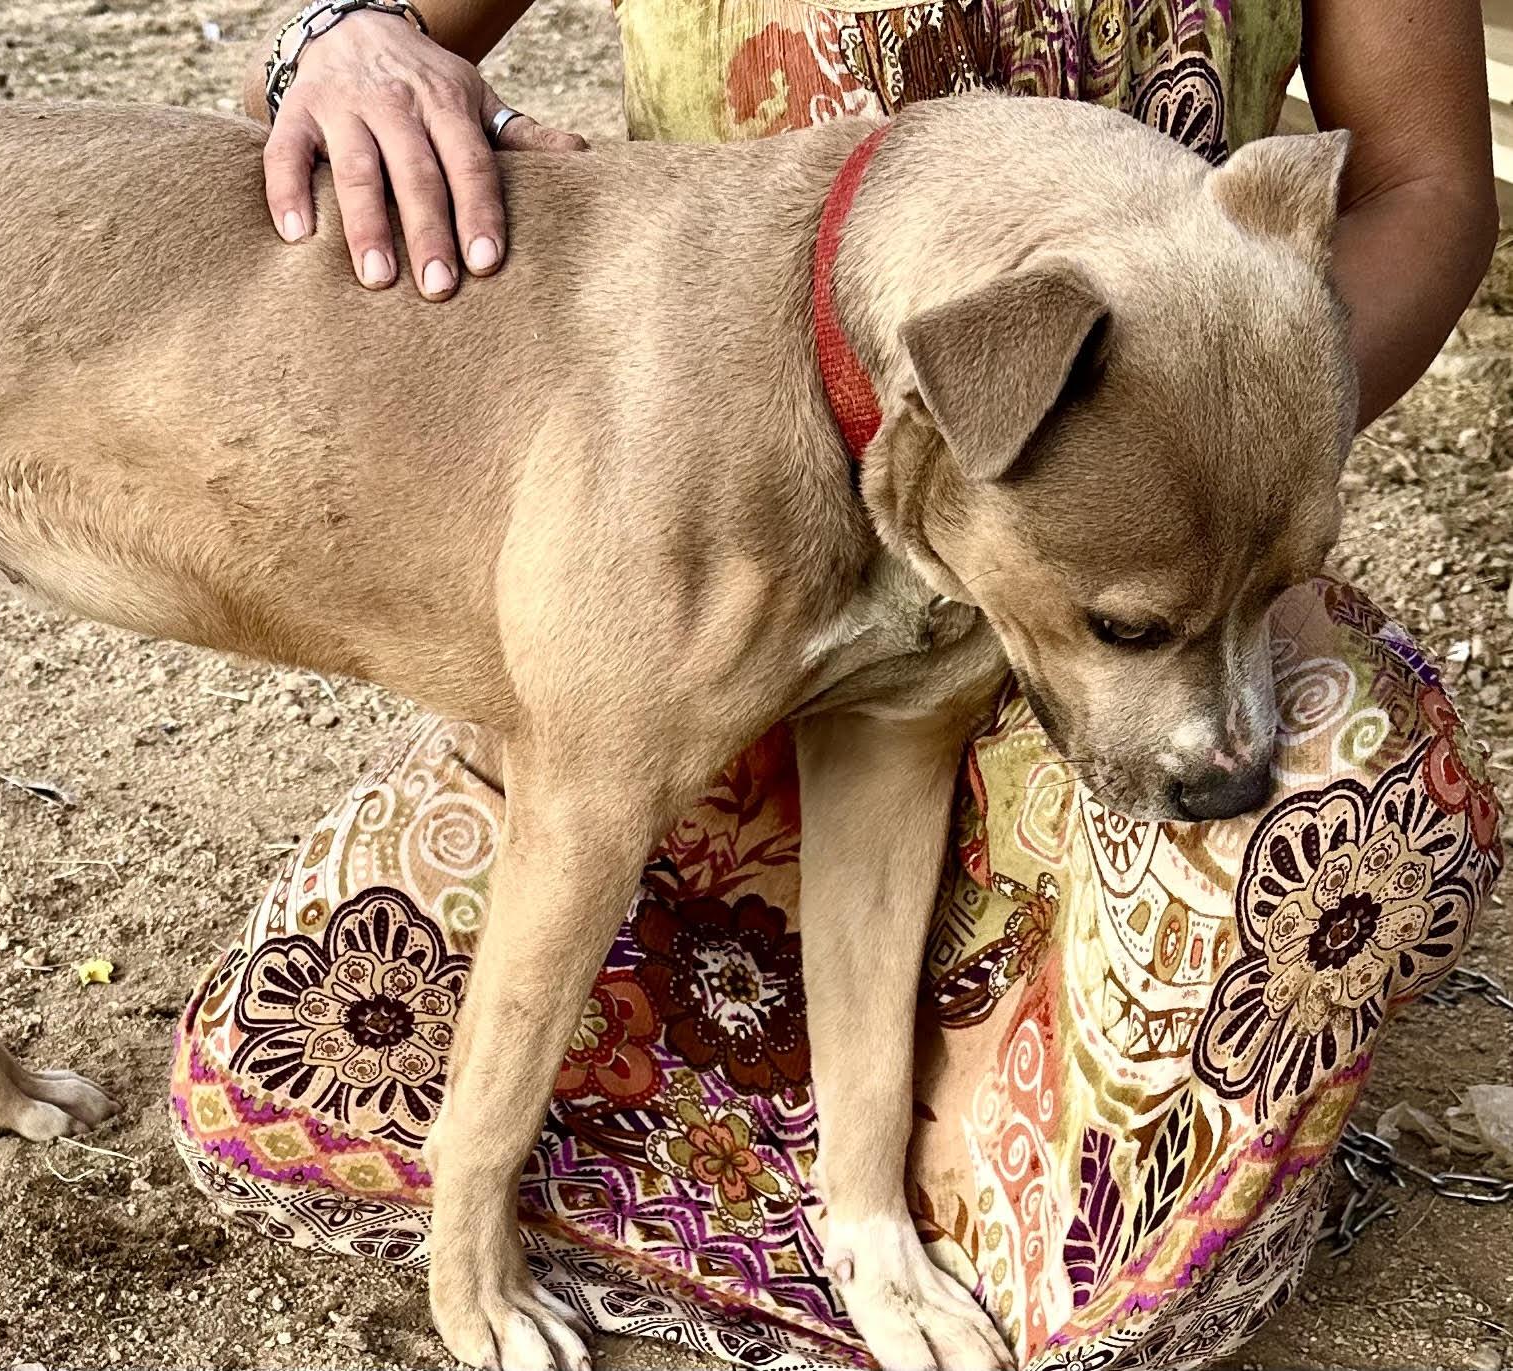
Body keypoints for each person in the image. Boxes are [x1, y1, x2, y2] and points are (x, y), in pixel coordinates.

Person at [168, 3, 1505, 1367]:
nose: (1231, 735)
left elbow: (1424, 179)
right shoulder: (797, 442)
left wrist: (1240, 391)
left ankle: (905, 1197)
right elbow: (386, 24)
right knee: (410, 991)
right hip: (757, 443)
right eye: (1130, 630)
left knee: (1325, 806)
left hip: (1127, 428)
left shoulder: (1162, 435)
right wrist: (341, 32)